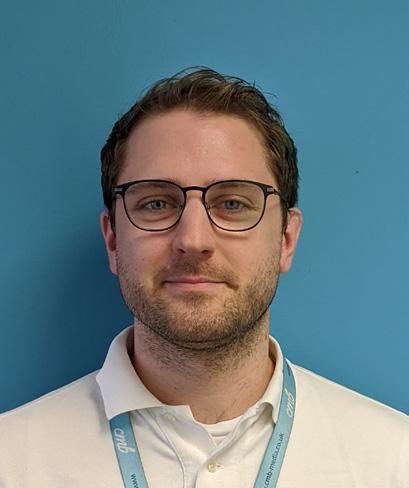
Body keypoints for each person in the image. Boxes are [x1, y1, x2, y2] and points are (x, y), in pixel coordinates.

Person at [0, 67, 407, 488]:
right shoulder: (10, 462)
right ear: (113, 241)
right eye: (156, 203)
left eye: (232, 203)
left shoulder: (395, 462)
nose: (193, 240)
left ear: (286, 239)